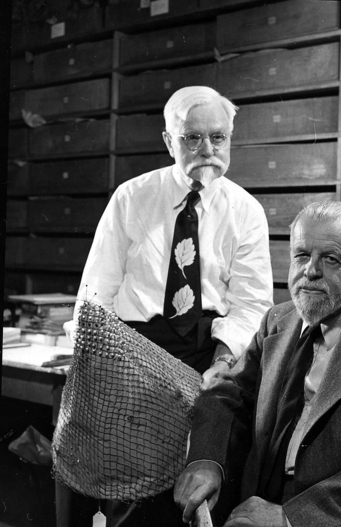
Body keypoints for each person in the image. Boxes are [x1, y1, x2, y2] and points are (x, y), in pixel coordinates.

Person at [59, 86, 273, 526]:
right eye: (192, 138)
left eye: (218, 137)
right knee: (127, 497)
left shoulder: (246, 212)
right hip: (131, 361)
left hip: (208, 359)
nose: (207, 150)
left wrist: (223, 361)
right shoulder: (132, 197)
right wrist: (95, 364)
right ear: (167, 141)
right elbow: (96, 291)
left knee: (197, 498)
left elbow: (252, 305)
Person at [174, 200, 341, 527]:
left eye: (330, 259)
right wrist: (207, 459)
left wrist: (290, 519)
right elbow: (227, 394)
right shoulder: (276, 321)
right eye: (301, 255)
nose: (310, 271)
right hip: (255, 508)